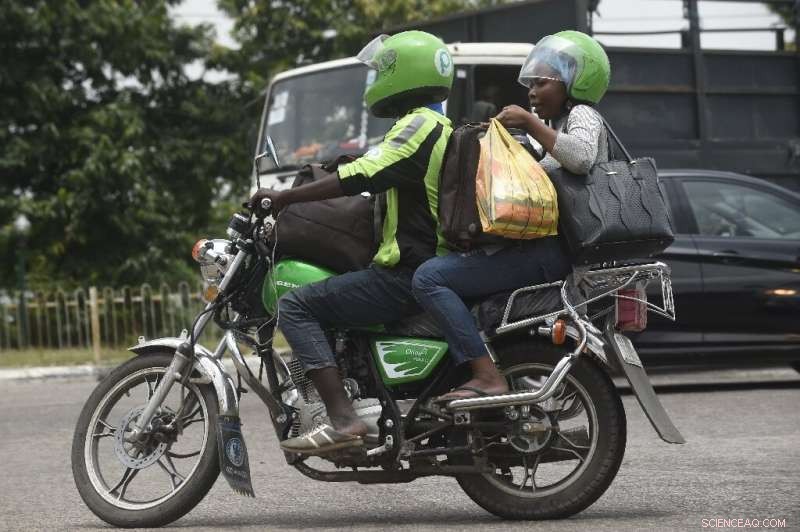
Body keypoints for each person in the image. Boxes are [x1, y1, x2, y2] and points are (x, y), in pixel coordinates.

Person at [248, 31, 454, 454]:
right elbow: (374, 170)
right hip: (422, 265)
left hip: (407, 272)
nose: (375, 79)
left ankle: (343, 420)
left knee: (297, 305)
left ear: (403, 74)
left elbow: (362, 174)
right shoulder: (435, 124)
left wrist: (285, 196)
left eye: (382, 70)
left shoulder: (419, 123)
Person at [412, 30, 611, 402]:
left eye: (542, 82)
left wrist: (529, 123)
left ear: (574, 81)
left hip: (550, 252)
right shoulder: (555, 126)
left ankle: (485, 375)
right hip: (544, 249)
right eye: (530, 84)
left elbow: (582, 157)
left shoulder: (583, 114)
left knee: (429, 279)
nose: (532, 92)